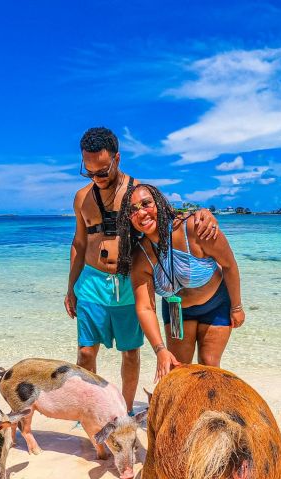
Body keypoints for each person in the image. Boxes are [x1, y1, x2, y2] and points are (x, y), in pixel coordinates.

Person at [65, 128, 217, 410]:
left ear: (117, 159)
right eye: (89, 172)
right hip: (90, 282)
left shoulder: (138, 196)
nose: (97, 179)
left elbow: (171, 221)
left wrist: (203, 214)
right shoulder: (81, 198)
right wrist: (70, 288)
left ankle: (124, 410)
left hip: (128, 283)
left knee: (131, 353)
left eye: (102, 171)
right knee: (86, 352)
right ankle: (89, 410)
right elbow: (78, 242)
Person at [116, 183, 243, 383]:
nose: (141, 213)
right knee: (179, 372)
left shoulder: (195, 228)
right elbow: (145, 307)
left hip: (216, 305)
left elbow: (229, 265)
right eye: (132, 210)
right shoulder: (140, 257)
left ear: (158, 203)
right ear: (128, 220)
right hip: (177, 312)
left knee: (209, 367)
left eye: (146, 204)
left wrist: (236, 306)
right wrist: (160, 350)